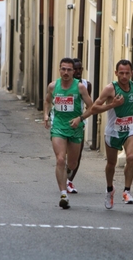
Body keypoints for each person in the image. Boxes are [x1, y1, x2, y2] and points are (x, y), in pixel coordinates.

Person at [91, 59, 133, 209]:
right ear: (116, 73)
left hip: (130, 129)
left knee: (131, 157)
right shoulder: (110, 89)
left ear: (131, 73)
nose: (124, 76)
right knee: (111, 164)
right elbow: (94, 108)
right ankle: (110, 189)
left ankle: (127, 191)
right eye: (121, 73)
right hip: (113, 131)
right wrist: (113, 105)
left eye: (127, 73)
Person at [43, 57, 93, 209]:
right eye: (63, 69)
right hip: (58, 126)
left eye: (69, 70)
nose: (66, 72)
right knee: (60, 160)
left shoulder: (80, 88)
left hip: (75, 128)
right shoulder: (53, 86)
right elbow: (47, 101)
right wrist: (46, 115)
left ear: (73, 72)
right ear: (59, 70)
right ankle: (63, 194)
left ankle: (68, 175)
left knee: (72, 163)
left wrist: (80, 118)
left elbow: (92, 107)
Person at [66, 58, 92, 194]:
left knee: (77, 154)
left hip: (78, 122)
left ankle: (69, 180)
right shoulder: (62, 84)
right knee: (64, 154)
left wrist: (81, 118)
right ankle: (64, 177)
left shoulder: (86, 85)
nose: (77, 71)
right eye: (74, 69)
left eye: (79, 69)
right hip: (62, 121)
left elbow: (89, 105)